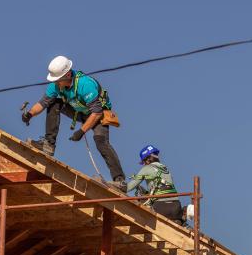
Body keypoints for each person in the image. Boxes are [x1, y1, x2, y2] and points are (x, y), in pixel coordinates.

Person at [22, 55, 127, 191]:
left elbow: (97, 112)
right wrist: (30, 114)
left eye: (58, 80)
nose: (56, 83)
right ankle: (49, 145)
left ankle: (120, 182)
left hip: (98, 115)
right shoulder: (56, 86)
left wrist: (81, 131)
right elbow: (43, 102)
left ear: (67, 75)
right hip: (80, 112)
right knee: (54, 103)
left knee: (100, 141)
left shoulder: (85, 84)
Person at [128, 144, 184, 225]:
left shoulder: (146, 169)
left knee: (141, 206)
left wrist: (118, 186)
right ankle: (179, 219)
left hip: (161, 207)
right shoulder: (166, 169)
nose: (144, 164)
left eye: (143, 162)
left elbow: (129, 187)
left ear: (147, 160)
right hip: (176, 208)